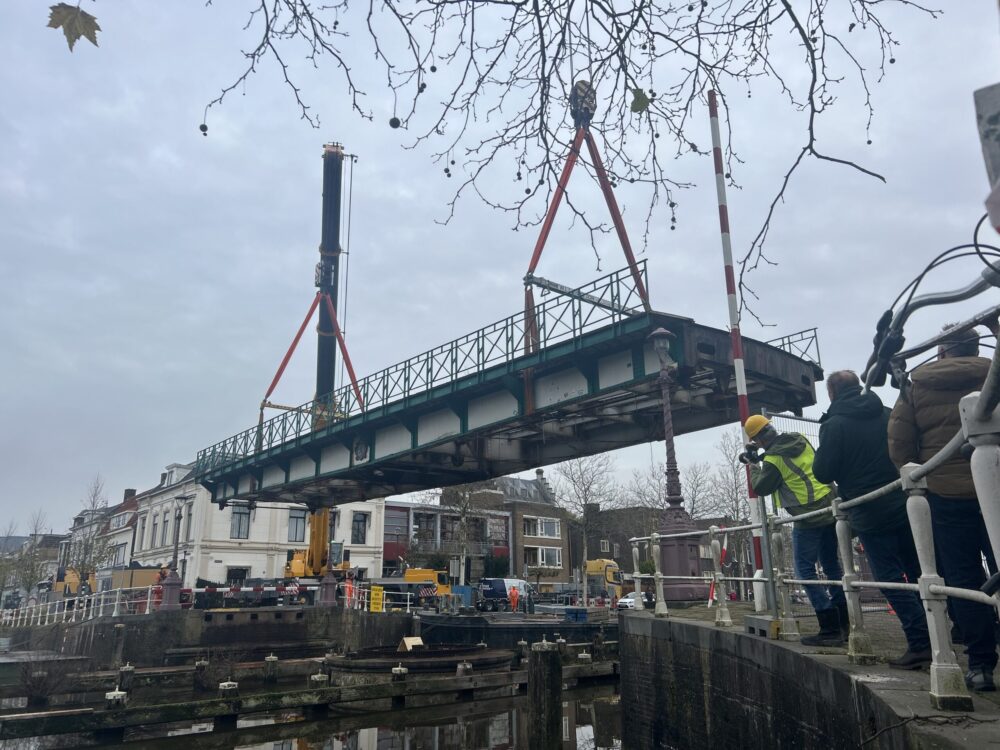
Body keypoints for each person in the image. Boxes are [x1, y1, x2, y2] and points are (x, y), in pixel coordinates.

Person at [887, 325, 998, 692]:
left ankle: (981, 665)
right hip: (996, 485)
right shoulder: (993, 372)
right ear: (975, 345)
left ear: (941, 352)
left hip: (947, 493)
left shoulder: (916, 387)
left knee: (962, 577)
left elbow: (901, 447)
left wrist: (921, 474)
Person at [812, 370, 931, 669]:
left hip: (869, 510)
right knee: (922, 572)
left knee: (889, 579)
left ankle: (920, 643)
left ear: (832, 394)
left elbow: (823, 471)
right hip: (904, 502)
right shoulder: (888, 413)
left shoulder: (834, 424)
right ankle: (943, 632)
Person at [740, 415, 846, 646]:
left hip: (808, 515)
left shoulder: (773, 460)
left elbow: (762, 487)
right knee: (831, 565)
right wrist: (761, 454)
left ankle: (829, 626)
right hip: (830, 505)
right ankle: (845, 622)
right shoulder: (799, 439)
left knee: (804, 571)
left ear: (757, 439)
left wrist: (753, 464)